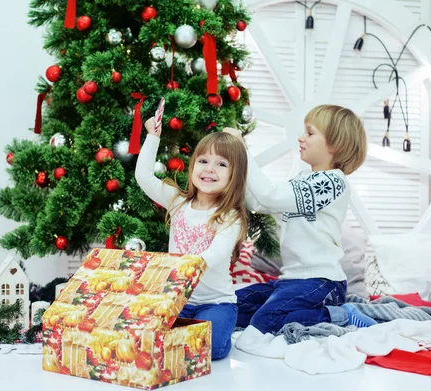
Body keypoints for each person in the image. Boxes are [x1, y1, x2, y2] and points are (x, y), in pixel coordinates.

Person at [232, 104, 374, 334]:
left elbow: (268, 195)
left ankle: (340, 315)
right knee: (230, 305)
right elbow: (260, 203)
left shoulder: (332, 183)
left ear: (334, 144)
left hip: (321, 281)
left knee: (265, 322)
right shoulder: (303, 179)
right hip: (291, 281)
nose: (300, 138)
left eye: (309, 133)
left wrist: (242, 149)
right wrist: (236, 162)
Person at [135, 115, 248, 360]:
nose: (209, 168)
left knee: (214, 347)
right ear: (193, 165)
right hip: (178, 299)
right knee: (146, 333)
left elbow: (216, 254)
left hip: (216, 302)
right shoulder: (178, 202)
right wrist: (153, 137)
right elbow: (144, 177)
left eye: (221, 164)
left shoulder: (229, 216)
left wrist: (181, 267)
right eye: (204, 160)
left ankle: (222, 325)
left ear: (234, 175)